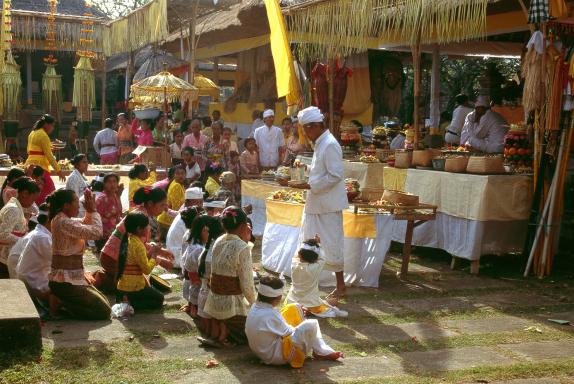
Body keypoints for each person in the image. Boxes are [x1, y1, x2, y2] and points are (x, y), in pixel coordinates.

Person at [294, 106, 348, 299]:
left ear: (315, 126)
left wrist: (308, 185)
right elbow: (320, 172)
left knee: (332, 245)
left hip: (328, 206)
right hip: (317, 204)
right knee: (309, 242)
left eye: (306, 130)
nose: (306, 134)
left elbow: (335, 176)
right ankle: (309, 284)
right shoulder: (320, 143)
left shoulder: (330, 144)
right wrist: (306, 168)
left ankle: (341, 286)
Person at [245, 275, 343, 368]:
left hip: (264, 350)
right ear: (278, 298)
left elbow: (277, 325)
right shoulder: (270, 314)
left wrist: (298, 314)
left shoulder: (256, 306)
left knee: (294, 307)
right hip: (275, 356)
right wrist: (302, 323)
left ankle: (319, 350)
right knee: (311, 324)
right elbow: (289, 332)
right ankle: (321, 351)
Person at [47, 188, 111, 320]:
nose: (79, 204)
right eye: (76, 201)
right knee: (103, 311)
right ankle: (61, 303)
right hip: (64, 283)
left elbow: (85, 223)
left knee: (104, 302)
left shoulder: (63, 219)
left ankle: (62, 301)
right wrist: (92, 211)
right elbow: (97, 233)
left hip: (71, 280)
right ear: (66, 205)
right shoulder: (63, 221)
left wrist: (89, 211)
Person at [97, 187, 173, 292]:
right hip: (112, 260)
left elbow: (140, 244)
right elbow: (138, 249)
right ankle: (102, 279)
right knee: (138, 287)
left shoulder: (141, 213)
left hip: (109, 257)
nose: (165, 209)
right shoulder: (142, 219)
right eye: (162, 205)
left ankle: (109, 278)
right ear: (150, 203)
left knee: (142, 284)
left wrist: (160, 251)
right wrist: (160, 261)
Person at [203, 206, 256, 346]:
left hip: (214, 301)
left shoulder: (219, 240)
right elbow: (247, 286)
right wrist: (255, 304)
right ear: (244, 226)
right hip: (231, 305)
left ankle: (220, 331)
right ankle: (225, 334)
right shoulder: (242, 247)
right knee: (255, 331)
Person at [116, 212, 170, 311]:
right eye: (147, 226)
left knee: (155, 294)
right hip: (133, 288)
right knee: (159, 299)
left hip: (123, 287)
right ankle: (130, 304)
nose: (149, 228)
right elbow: (146, 270)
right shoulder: (138, 245)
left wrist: (153, 250)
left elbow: (142, 260)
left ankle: (126, 299)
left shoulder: (130, 239)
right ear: (139, 229)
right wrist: (154, 255)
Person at [286, 237, 348, 318]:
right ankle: (308, 311)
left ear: (299, 254)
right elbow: (322, 258)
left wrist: (313, 245)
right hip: (311, 303)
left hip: (292, 301)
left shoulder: (294, 263)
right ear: (315, 258)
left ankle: (300, 310)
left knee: (322, 302)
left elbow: (298, 255)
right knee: (334, 301)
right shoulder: (316, 267)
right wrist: (319, 244)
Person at [16, 204, 59, 317]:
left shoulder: (40, 233)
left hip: (30, 278)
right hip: (34, 283)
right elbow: (59, 264)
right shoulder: (42, 238)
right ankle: (52, 311)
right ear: (51, 220)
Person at [0, 177, 40, 278]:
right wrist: (23, 240)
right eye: (32, 199)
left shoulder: (16, 206)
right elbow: (2, 235)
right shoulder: (13, 209)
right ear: (25, 194)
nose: (32, 203)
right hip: (5, 259)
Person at [195, 215, 224, 339]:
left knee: (207, 324)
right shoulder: (217, 250)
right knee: (216, 324)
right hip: (211, 295)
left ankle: (208, 335)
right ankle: (216, 338)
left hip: (202, 293)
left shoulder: (207, 247)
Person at [25, 114, 65, 201]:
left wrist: (49, 148)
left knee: (32, 190)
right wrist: (58, 170)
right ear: (46, 124)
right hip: (40, 166)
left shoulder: (32, 132)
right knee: (50, 191)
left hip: (29, 165)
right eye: (52, 125)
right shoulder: (43, 135)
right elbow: (49, 155)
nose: (53, 128)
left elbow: (30, 150)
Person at [166, 187, 204, 269]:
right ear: (187, 203)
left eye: (201, 202)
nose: (201, 205)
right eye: (199, 202)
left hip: (177, 253)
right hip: (177, 258)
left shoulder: (186, 214)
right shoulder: (188, 218)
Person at [180, 209, 208, 318]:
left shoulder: (193, 241)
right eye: (208, 231)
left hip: (191, 280)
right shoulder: (199, 249)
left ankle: (192, 305)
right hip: (195, 282)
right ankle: (194, 307)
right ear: (202, 231)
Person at [157, 165, 186, 241]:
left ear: (185, 175)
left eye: (182, 173)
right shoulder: (177, 185)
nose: (180, 176)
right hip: (167, 223)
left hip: (165, 220)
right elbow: (176, 208)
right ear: (174, 175)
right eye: (177, 173)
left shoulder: (178, 184)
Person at [95, 173, 122, 252]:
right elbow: (97, 218)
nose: (112, 184)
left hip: (114, 233)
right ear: (104, 184)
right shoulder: (102, 198)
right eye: (109, 182)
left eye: (114, 182)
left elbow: (119, 212)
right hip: (104, 235)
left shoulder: (115, 196)